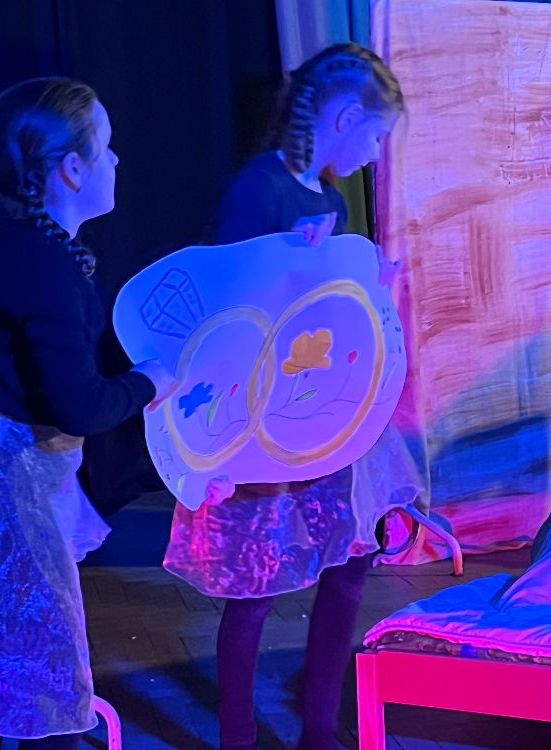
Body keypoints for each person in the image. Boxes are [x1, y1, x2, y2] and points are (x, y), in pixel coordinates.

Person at [0, 78, 176, 750]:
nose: (118, 160)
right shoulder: (41, 262)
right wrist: (150, 382)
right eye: (107, 147)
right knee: (33, 674)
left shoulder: (33, 246)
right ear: (72, 169)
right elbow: (77, 404)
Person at [164, 42, 407, 750]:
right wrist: (289, 264)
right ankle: (238, 737)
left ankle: (320, 727)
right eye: (375, 137)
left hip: (319, 418)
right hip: (259, 428)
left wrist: (369, 284)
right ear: (346, 118)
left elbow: (330, 316)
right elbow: (225, 306)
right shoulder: (258, 190)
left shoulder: (329, 199)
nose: (375, 154)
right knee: (256, 581)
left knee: (350, 561)